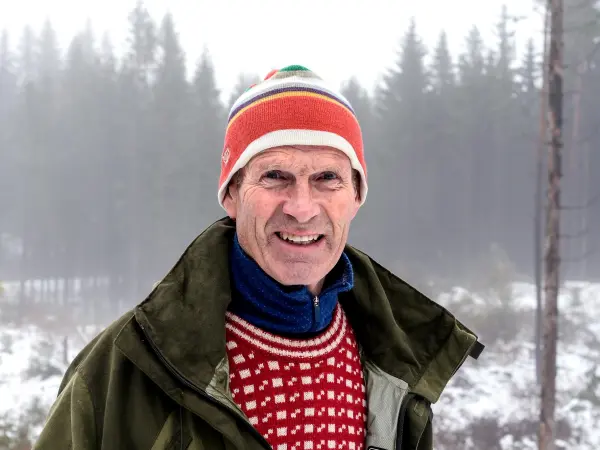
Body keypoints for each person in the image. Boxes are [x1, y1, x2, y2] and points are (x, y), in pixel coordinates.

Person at [34, 64, 483, 450]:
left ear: (357, 196)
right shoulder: (124, 366)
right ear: (231, 193)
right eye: (275, 176)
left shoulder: (398, 368)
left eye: (327, 178)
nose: (302, 207)